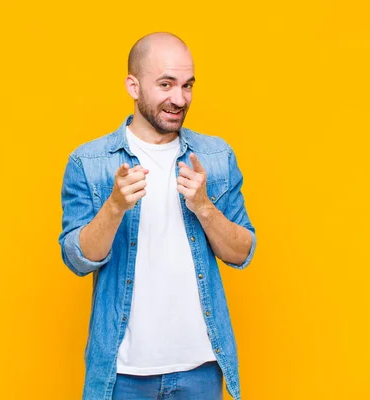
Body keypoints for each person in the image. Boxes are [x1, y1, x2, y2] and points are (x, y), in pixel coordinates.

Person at [58, 32, 257, 400]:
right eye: (166, 84)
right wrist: (114, 206)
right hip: (122, 374)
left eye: (187, 85)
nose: (179, 99)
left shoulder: (215, 157)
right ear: (133, 86)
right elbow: (76, 259)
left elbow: (242, 251)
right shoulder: (89, 163)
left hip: (200, 369)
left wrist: (204, 206)